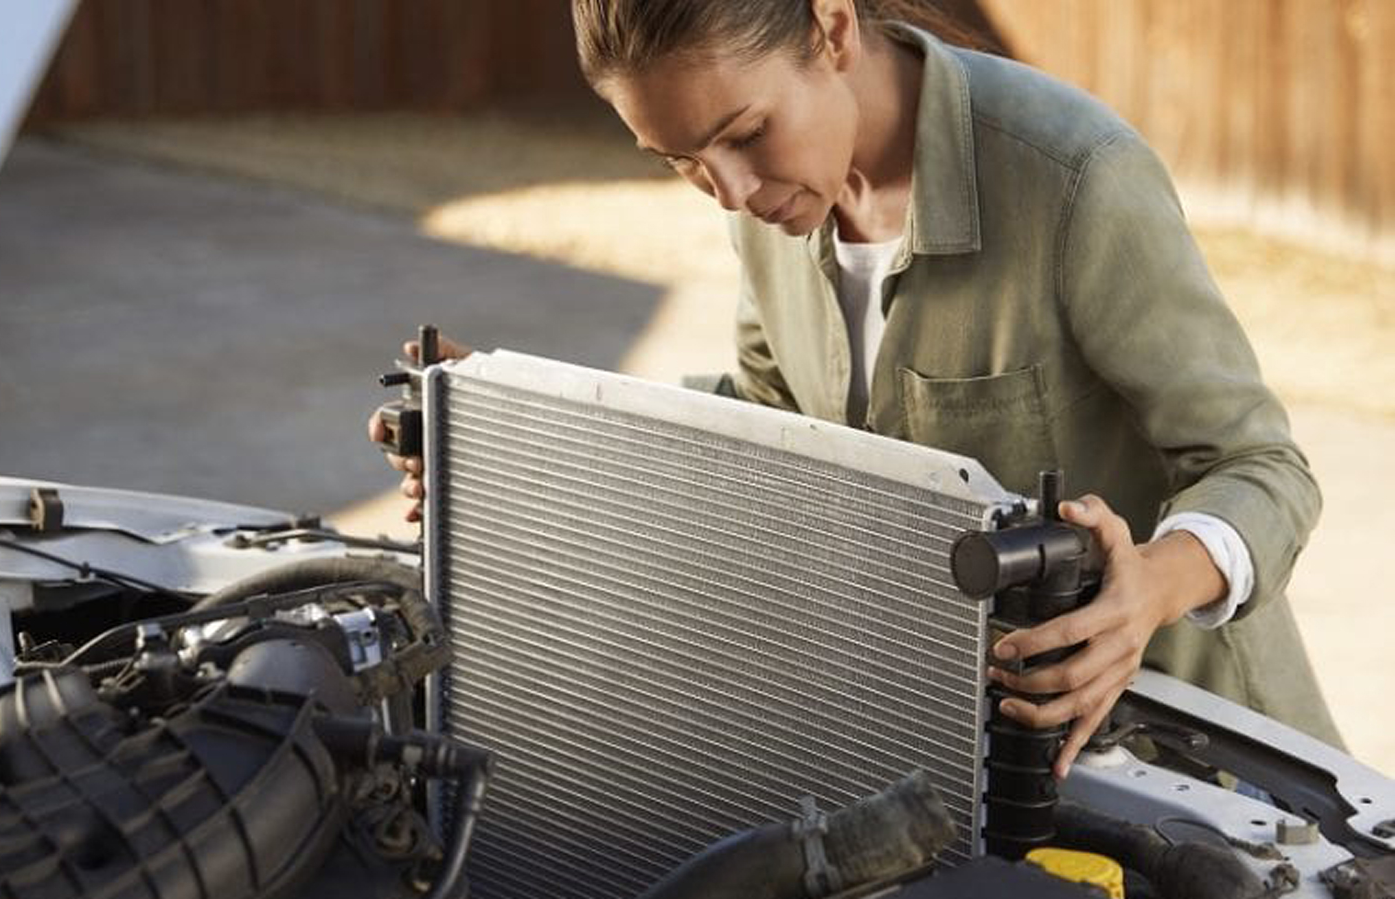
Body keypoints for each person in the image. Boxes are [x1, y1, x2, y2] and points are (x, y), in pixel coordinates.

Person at [370, 0, 1342, 777]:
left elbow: (1261, 465)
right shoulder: (768, 195)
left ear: (830, 28)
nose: (730, 194)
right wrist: (519, 430)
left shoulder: (1075, 176)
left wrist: (1148, 590)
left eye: (744, 134)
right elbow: (772, 412)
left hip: (1206, 757)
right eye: (680, 163)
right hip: (976, 745)